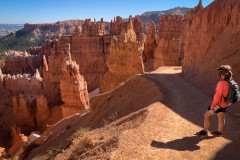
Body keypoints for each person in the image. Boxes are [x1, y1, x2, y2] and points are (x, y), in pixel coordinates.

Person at [196, 65, 232, 137]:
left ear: (221, 74)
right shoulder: (231, 82)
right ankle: (219, 132)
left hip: (218, 105)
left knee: (206, 115)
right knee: (221, 116)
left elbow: (217, 96)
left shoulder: (221, 83)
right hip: (226, 104)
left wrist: (213, 106)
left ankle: (205, 131)